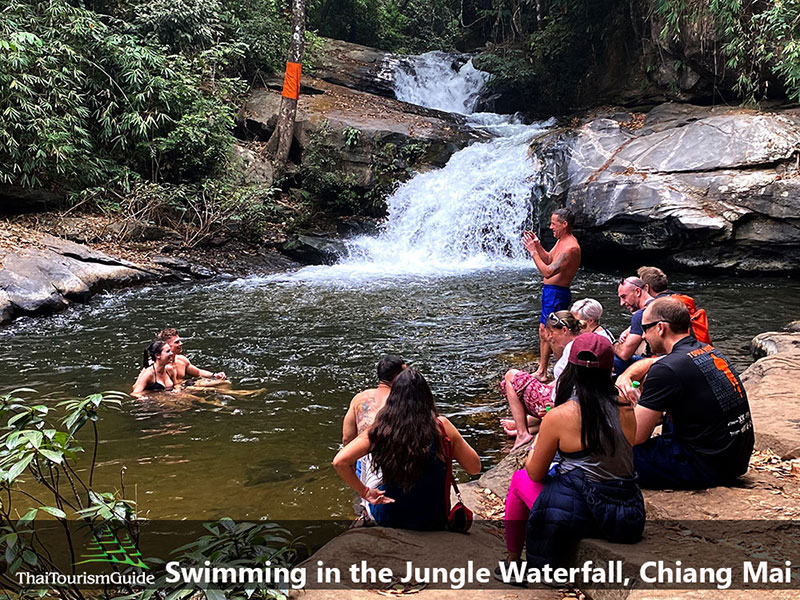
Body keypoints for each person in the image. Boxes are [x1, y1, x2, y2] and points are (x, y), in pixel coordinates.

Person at [498, 334, 644, 575]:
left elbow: (535, 472)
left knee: (519, 480)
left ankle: (513, 562)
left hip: (584, 515)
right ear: (610, 369)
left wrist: (535, 445)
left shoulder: (561, 415)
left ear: (571, 370)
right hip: (627, 512)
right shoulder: (625, 405)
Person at [617, 297, 754, 489]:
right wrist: (627, 376)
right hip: (735, 458)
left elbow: (635, 437)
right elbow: (654, 362)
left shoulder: (667, 370)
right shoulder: (708, 350)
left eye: (645, 329)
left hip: (706, 466)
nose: (643, 336)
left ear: (661, 328)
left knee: (612, 455)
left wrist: (624, 407)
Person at [332, 368, 481, 530]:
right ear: (426, 397)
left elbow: (340, 462)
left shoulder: (381, 429)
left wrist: (366, 492)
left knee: (364, 460)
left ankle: (362, 512)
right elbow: (474, 468)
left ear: (393, 398)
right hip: (432, 519)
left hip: (389, 517)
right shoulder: (442, 427)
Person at [500, 311, 581, 450]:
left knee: (510, 377)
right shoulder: (580, 343)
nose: (549, 337)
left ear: (565, 330)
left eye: (551, 332)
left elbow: (573, 384)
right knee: (533, 384)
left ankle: (522, 433)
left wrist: (555, 407)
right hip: (568, 402)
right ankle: (530, 427)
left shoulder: (570, 350)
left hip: (563, 405)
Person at [522, 208, 581, 382]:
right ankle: (543, 369)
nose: (550, 227)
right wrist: (538, 245)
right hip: (551, 293)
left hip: (557, 293)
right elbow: (548, 259)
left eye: (554, 224)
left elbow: (547, 272)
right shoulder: (562, 241)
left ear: (565, 224)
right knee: (544, 331)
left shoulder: (570, 247)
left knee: (551, 332)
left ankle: (554, 370)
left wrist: (533, 252)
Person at [342, 355, 406, 445]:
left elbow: (347, 439)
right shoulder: (405, 399)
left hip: (363, 454)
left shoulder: (359, 398)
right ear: (398, 376)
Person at [613, 276, 654, 373]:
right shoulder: (660, 302)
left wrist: (612, 344)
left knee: (607, 359)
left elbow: (624, 354)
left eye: (624, 297)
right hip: (671, 357)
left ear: (638, 292)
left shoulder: (641, 315)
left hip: (654, 363)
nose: (621, 303)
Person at [158, 328, 225, 385]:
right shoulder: (157, 365)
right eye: (177, 342)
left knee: (224, 382)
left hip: (184, 387)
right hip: (171, 393)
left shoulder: (182, 360)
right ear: (166, 345)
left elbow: (198, 372)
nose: (181, 343)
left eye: (180, 341)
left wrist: (214, 375)